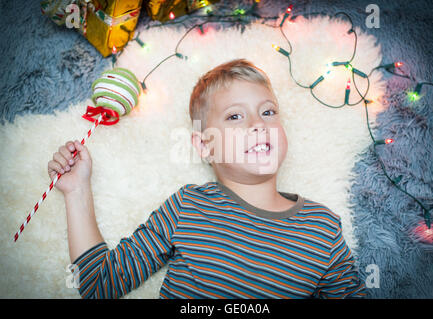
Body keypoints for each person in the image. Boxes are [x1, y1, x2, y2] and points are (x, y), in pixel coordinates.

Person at [49, 59, 367, 298]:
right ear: (205, 145)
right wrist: (76, 192)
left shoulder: (322, 227)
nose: (258, 124)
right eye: (235, 116)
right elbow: (99, 284)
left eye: (268, 112)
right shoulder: (187, 207)